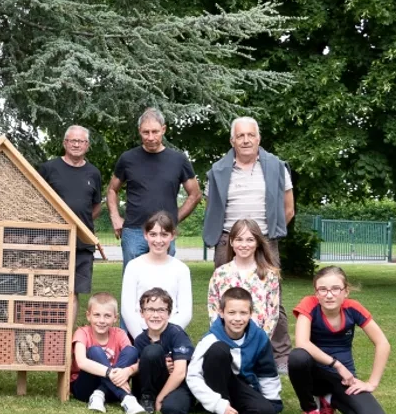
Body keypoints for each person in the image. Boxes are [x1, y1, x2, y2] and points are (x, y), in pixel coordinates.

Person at [202, 116, 295, 365]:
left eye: (250, 135)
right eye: (240, 136)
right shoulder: (218, 171)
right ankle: (226, 348)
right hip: (227, 241)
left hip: (265, 239)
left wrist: (265, 237)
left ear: (258, 138)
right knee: (226, 295)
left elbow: (288, 209)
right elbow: (212, 208)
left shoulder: (277, 167)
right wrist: (233, 239)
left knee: (273, 298)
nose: (245, 140)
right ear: (232, 140)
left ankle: (280, 355)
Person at [287, 266, 390, 414]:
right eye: (323, 289)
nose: (329, 295)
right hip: (314, 376)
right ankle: (311, 410)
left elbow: (383, 343)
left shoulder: (353, 308)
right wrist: (337, 365)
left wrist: (372, 383)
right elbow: (302, 343)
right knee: (297, 357)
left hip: (344, 380)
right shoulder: (309, 304)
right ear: (316, 293)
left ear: (346, 291)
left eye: (335, 289)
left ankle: (329, 399)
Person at [107, 108, 201, 266]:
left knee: (164, 278)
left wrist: (173, 219)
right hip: (134, 231)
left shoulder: (178, 160)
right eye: (146, 132)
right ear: (139, 131)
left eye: (155, 132)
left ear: (163, 129)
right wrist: (115, 218)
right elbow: (111, 190)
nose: (150, 137)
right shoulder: (127, 159)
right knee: (134, 278)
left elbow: (195, 194)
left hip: (164, 233)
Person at [187, 287, 282, 414]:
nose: (237, 318)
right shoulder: (210, 339)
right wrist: (216, 403)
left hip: (242, 387)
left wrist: (272, 401)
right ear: (221, 313)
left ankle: (232, 409)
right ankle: (218, 410)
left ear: (251, 314)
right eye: (231, 313)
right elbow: (193, 376)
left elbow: (267, 372)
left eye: (243, 313)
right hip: (217, 386)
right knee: (219, 350)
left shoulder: (260, 337)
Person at [39, 125, 103, 320]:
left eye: (81, 141)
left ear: (87, 145)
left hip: (82, 244)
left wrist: (79, 226)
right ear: (65, 143)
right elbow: (36, 201)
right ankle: (48, 330)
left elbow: (96, 206)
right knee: (47, 288)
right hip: (52, 241)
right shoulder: (49, 169)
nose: (76, 144)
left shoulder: (93, 173)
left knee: (72, 293)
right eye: (72, 141)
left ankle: (66, 334)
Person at [70, 293, 145, 414]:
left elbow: (137, 362)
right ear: (88, 316)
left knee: (131, 351)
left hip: (111, 392)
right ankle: (126, 397)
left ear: (115, 318)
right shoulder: (82, 332)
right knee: (94, 351)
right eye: (97, 315)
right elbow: (81, 362)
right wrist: (110, 373)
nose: (101, 321)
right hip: (85, 389)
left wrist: (128, 371)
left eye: (107, 316)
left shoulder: (120, 334)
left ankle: (100, 393)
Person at [120, 211, 193, 339]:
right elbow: (127, 310)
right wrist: (141, 338)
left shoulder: (181, 269)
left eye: (164, 235)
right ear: (145, 235)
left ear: (172, 235)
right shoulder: (133, 267)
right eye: (153, 234)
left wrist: (166, 336)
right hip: (139, 333)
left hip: (171, 335)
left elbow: (185, 312)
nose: (158, 240)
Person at [206, 218, 282, 338]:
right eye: (239, 239)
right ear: (231, 242)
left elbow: (272, 315)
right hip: (226, 340)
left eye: (250, 240)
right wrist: (222, 340)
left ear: (257, 242)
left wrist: (261, 341)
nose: (244, 245)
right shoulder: (220, 274)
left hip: (257, 340)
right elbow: (213, 311)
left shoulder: (269, 275)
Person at [129, 288, 196, 414]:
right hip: (150, 385)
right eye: (150, 309)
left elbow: (180, 372)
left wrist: (160, 398)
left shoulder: (177, 334)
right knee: (152, 351)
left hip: (176, 385)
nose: (155, 315)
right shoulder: (140, 340)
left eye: (161, 310)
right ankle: (147, 399)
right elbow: (138, 369)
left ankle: (165, 399)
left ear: (169, 313)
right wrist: (160, 364)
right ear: (142, 313)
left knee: (172, 410)